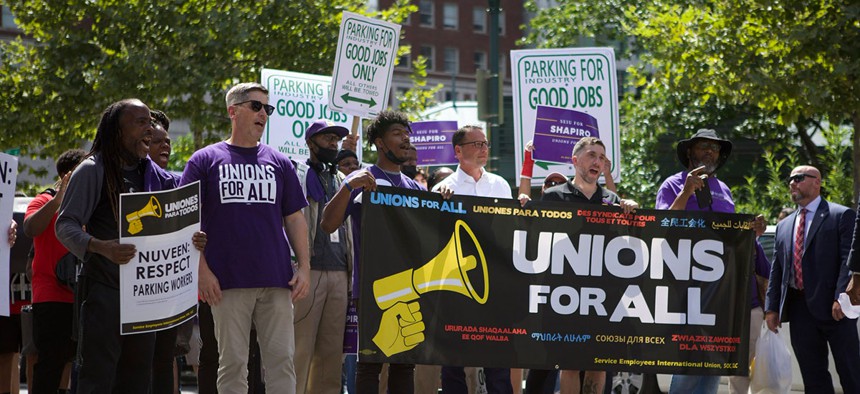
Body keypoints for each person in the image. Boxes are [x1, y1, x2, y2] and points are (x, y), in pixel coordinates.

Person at [55, 99, 205, 393]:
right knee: (97, 377)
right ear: (116, 130)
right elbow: (66, 225)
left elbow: (170, 227)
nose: (149, 129)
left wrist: (192, 240)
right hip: (105, 291)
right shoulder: (92, 170)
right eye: (140, 122)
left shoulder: (154, 175)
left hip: (145, 298)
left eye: (150, 122)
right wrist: (100, 246)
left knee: (137, 379)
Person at [180, 82, 310, 393]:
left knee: (282, 361)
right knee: (234, 363)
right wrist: (202, 272)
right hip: (226, 282)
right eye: (256, 106)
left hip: (277, 280)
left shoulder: (280, 162)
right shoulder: (204, 160)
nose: (264, 113)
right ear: (233, 111)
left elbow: (294, 218)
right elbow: (184, 222)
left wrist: (304, 267)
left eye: (268, 108)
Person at [656, 129, 769, 394]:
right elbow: (662, 228)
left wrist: (751, 233)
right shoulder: (672, 184)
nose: (710, 151)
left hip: (721, 294)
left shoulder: (724, 189)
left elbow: (729, 237)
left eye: (715, 148)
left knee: (712, 367)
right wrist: (686, 192)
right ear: (689, 152)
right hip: (689, 291)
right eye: (704, 146)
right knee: (687, 368)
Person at [321, 109, 423, 394]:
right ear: (380, 142)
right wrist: (348, 185)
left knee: (405, 365)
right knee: (370, 364)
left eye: (407, 134)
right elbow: (328, 224)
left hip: (409, 288)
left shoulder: (415, 187)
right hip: (372, 289)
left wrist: (443, 199)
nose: (405, 140)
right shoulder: (362, 179)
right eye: (397, 134)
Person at [540, 137, 637, 394]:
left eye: (602, 158)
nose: (597, 161)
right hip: (566, 297)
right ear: (575, 161)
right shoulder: (553, 197)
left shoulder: (612, 199)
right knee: (570, 365)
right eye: (592, 155)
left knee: (599, 363)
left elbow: (627, 242)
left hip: (603, 296)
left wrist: (632, 213)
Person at [432, 125, 514, 394]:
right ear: (458, 150)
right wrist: (440, 207)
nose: (483, 149)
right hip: (456, 286)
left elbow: (510, 231)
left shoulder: (500, 185)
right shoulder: (443, 188)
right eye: (476, 144)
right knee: (453, 360)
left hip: (495, 283)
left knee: (497, 358)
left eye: (485, 143)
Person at [765, 165, 860, 393]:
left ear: (817, 182)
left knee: (851, 373)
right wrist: (772, 308)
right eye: (790, 179)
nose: (792, 183)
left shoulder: (841, 215)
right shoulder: (784, 225)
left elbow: (848, 260)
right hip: (800, 310)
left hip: (835, 308)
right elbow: (777, 269)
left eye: (798, 178)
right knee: (813, 376)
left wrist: (841, 297)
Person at [294, 120, 353, 394]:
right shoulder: (298, 174)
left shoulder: (343, 180)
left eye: (336, 139)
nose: (333, 143)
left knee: (331, 356)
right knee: (299, 351)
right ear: (310, 142)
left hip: (340, 273)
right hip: (310, 271)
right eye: (327, 138)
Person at [23, 149, 86, 394]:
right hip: (51, 297)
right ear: (65, 175)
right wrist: (58, 200)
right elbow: (30, 228)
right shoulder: (43, 200)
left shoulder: (90, 203)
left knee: (78, 364)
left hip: (83, 295)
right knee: (50, 363)